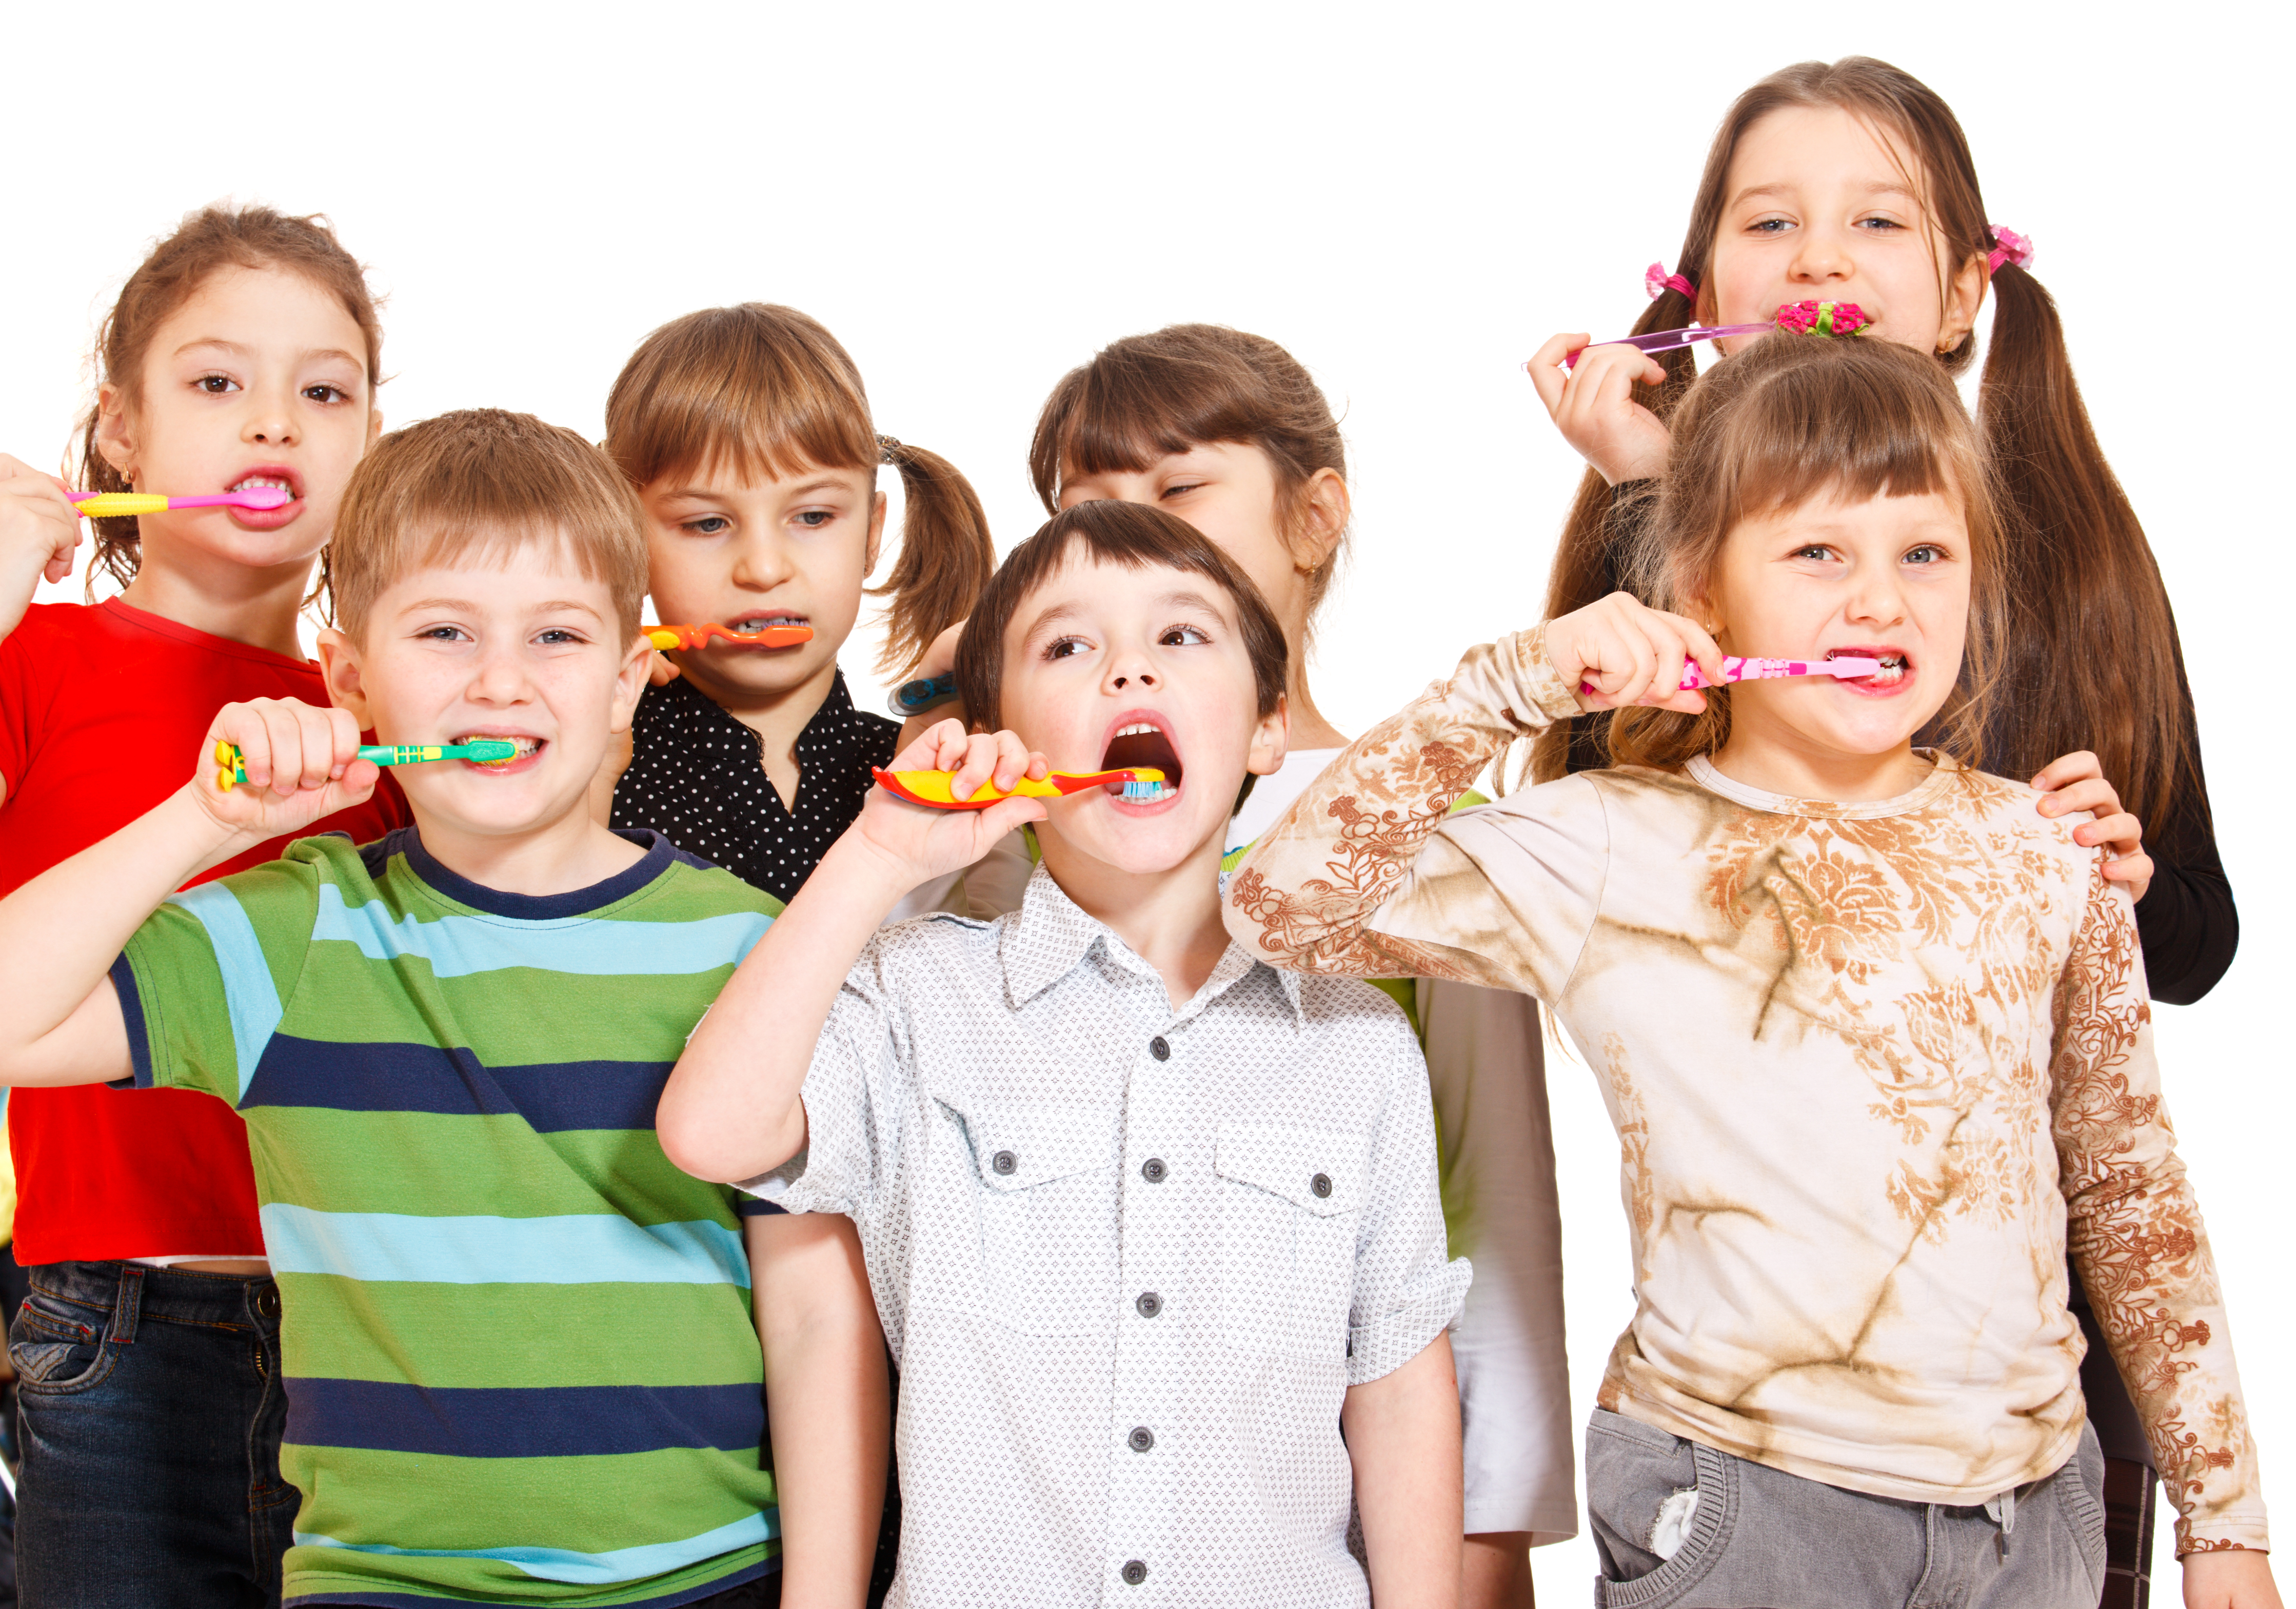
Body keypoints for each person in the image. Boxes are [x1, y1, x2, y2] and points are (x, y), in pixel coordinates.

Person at [1226, 334, 2274, 1609]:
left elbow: (2129, 1186)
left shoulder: (2040, 848)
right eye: (1818, 553)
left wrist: (2225, 1526)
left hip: (2029, 1528)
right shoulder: (1605, 839)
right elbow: (1281, 902)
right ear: (1702, 595)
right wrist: (1510, 684)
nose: (1881, 600)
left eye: (1923, 554)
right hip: (1743, 1508)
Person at [1524, 64, 2236, 1600]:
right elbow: (1620, 843)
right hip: (1761, 1419)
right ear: (1698, 284)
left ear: (1964, 289)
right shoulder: (1636, 524)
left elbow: (2195, 938)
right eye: (1769, 220)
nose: (1820, 257)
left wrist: (2118, 882)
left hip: (2040, 1392)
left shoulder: (2086, 560)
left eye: (1875, 221)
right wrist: (1659, 499)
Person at [0, 409, 880, 1608]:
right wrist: (200, 819)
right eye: (445, 632)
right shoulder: (294, 930)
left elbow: (818, 1315)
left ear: (629, 679)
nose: (501, 681)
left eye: (558, 636)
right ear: (350, 678)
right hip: (384, 1586)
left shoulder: (746, 944)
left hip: (708, 1579)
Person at [659, 500, 1472, 1608]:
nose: (1130, 672)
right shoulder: (915, 993)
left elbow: (1398, 1376)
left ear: (1268, 725)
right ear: (1009, 739)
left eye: (1181, 636)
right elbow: (714, 1129)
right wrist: (881, 850)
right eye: (1069, 645)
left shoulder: (1359, 1044)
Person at [1025, 323, 1575, 1605]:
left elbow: (1491, 1203)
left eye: (1178, 491)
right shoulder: (1022, 834)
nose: (1138, 542)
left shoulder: (1427, 829)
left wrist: (1482, 1540)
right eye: (1086, 512)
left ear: (1315, 515)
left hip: (1354, 1508)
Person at [0, 204, 410, 1608]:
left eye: (325, 390)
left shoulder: (399, 708)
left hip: (366, 1324)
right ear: (122, 432)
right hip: (107, 1314)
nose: (275, 428)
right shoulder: (41, 658)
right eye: (217, 382)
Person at [596, 303, 995, 911]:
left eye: (812, 516)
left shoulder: (936, 772)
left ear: (870, 534)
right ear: (627, 537)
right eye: (706, 523)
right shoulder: (583, 768)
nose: (763, 568)